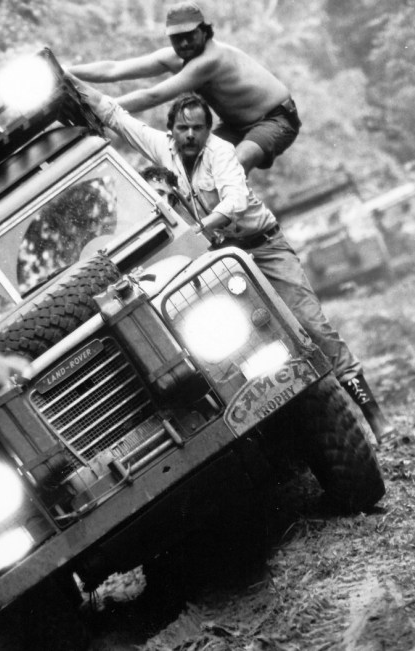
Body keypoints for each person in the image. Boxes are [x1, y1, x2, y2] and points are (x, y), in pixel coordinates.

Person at [72, 79, 392, 443]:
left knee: (311, 323)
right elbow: (117, 116)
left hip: (262, 246)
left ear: (208, 130)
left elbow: (234, 202)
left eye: (198, 128)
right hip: (216, 258)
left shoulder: (221, 153)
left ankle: (372, 413)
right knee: (229, 341)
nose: (190, 135)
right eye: (183, 128)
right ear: (171, 130)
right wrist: (71, 80)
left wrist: (202, 228)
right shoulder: (164, 150)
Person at [67, 2, 299, 174]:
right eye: (178, 39)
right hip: (235, 126)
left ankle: (235, 219)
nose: (184, 43)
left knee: (236, 161)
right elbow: (113, 69)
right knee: (188, 164)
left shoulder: (210, 60)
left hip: (276, 119)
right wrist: (66, 71)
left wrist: (97, 110)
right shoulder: (174, 58)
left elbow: (153, 95)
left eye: (190, 36)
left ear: (204, 32)